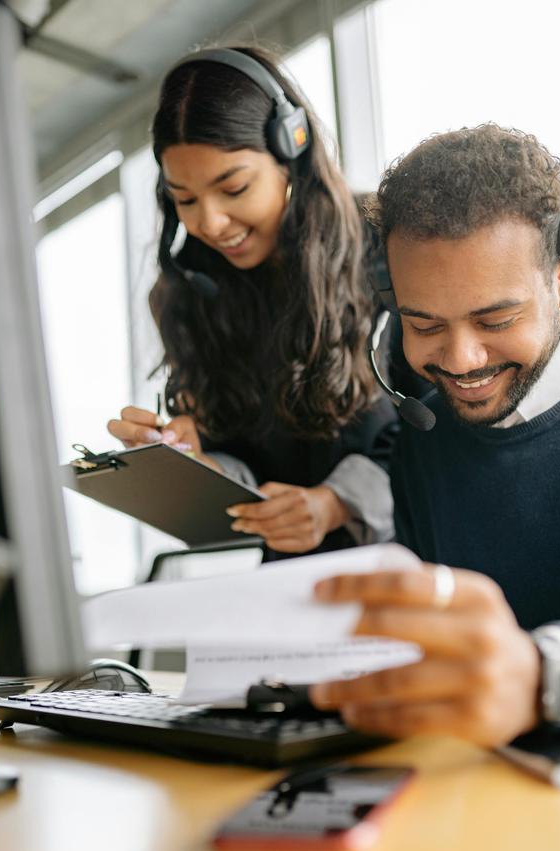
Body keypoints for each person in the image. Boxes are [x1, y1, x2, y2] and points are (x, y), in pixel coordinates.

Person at [310, 125, 560, 745]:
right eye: (424, 325)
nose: (460, 359)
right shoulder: (420, 443)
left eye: (495, 319)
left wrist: (545, 675)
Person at [107, 45, 398, 557]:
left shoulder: (386, 246)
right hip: (287, 583)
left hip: (410, 557)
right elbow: (237, 459)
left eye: (235, 188)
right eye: (186, 200)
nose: (211, 224)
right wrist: (190, 465)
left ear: (293, 149)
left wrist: (338, 502)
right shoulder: (189, 294)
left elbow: (445, 420)